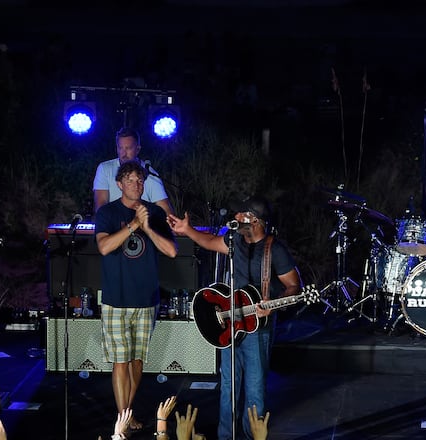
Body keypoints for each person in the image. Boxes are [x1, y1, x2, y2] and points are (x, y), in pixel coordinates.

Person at [167, 195, 302, 440]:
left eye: (243, 215)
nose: (237, 218)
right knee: (228, 387)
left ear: (256, 221)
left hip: (257, 329)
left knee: (254, 391)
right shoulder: (234, 240)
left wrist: (273, 306)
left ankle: (253, 436)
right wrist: (187, 230)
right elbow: (209, 241)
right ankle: (226, 436)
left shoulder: (275, 249)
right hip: (230, 324)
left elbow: (294, 286)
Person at [95, 161, 177, 431]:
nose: (136, 184)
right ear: (119, 184)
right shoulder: (107, 212)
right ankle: (123, 419)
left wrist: (148, 227)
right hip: (116, 299)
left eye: (140, 180)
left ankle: (127, 413)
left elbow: (172, 251)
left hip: (146, 298)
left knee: (137, 360)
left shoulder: (154, 212)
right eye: (130, 180)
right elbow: (105, 247)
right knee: (120, 360)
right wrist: (132, 225)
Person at [93, 127, 173, 215]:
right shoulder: (104, 169)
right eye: (120, 148)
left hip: (144, 225)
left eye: (128, 148)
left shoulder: (151, 174)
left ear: (138, 149)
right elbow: (100, 207)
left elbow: (166, 211)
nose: (123, 154)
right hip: (114, 226)